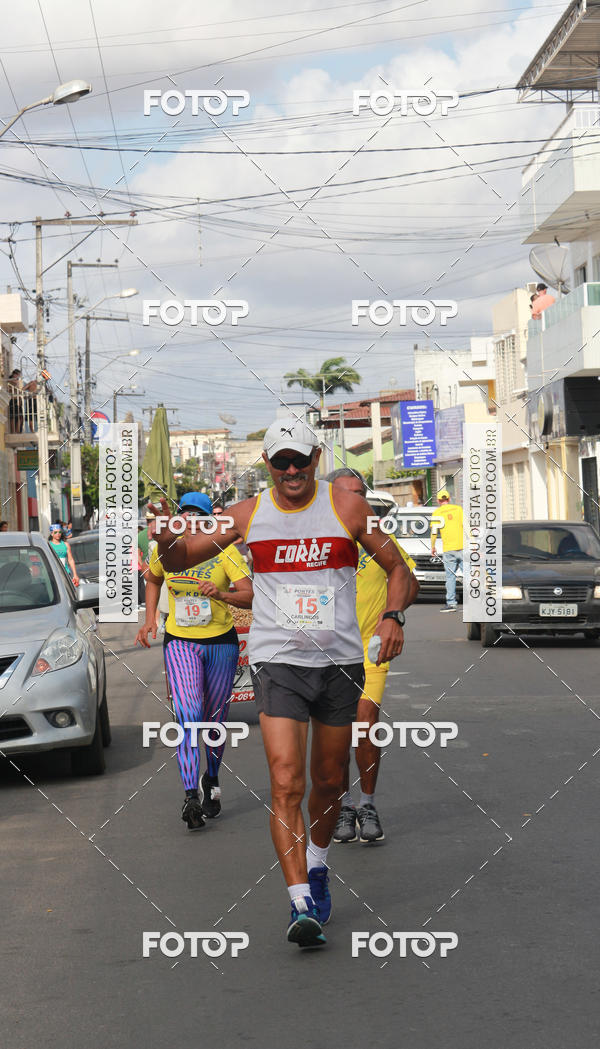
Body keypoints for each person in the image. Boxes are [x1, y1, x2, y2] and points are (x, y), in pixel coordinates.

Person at [152, 417, 413, 948]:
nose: (291, 470)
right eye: (280, 461)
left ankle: (317, 864)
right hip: (277, 662)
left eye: (299, 460)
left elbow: (398, 569)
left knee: (329, 782)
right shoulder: (246, 514)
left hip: (340, 663)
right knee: (287, 781)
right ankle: (299, 903)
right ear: (268, 464)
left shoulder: (348, 508)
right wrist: (165, 538)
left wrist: (393, 617)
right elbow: (180, 558)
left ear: (315, 458)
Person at [135, 492, 252, 830]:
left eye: (198, 516)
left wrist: (222, 594)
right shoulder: (167, 549)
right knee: (188, 716)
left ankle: (211, 780)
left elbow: (249, 594)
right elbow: (153, 578)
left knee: (215, 720)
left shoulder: (224, 551)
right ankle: (190, 796)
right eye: (184, 515)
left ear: (209, 521)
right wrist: (150, 618)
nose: (191, 521)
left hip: (220, 643)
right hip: (181, 642)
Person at [327, 468, 419, 845]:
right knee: (335, 736)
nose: (352, 501)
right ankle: (343, 806)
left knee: (365, 725)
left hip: (369, 650)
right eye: (343, 494)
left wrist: (392, 616)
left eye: (358, 494)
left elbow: (408, 580)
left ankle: (367, 804)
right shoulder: (316, 540)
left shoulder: (378, 538)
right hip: (325, 652)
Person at [431, 489, 463, 612]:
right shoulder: (458, 509)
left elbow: (434, 532)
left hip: (449, 549)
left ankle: (451, 604)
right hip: (463, 547)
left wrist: (433, 546)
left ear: (439, 501)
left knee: (450, 577)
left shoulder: (437, 513)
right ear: (449, 499)